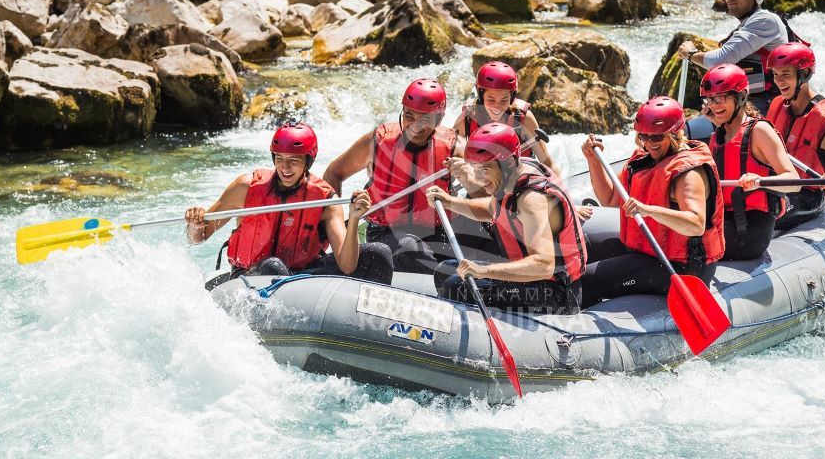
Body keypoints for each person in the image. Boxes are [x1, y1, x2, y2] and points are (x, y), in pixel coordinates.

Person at [186, 122, 393, 287]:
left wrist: (355, 218)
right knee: (274, 268)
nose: (284, 167)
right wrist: (195, 224)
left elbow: (347, 265)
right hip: (253, 275)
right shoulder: (245, 187)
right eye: (280, 159)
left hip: (302, 274)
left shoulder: (325, 199)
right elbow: (198, 238)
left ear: (307, 162)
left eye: (293, 160)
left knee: (378, 253)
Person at [426, 123, 586, 315]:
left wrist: (483, 271)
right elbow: (492, 209)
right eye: (474, 168)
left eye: (484, 169)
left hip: (555, 294)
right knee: (446, 270)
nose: (477, 177)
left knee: (455, 286)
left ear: (509, 162)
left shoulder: (531, 200)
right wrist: (450, 202)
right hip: (533, 282)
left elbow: (544, 265)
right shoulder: (513, 176)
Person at [579, 97, 724, 307]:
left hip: (682, 268)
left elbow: (696, 224)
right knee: (582, 248)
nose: (649, 143)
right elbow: (609, 199)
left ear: (675, 133)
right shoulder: (644, 158)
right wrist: (593, 160)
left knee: (587, 280)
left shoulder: (688, 172)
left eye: (656, 138)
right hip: (650, 250)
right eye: (643, 136)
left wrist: (648, 210)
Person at [323, 78, 468, 273]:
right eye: (409, 115)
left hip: (438, 232)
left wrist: (468, 175)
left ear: (439, 119)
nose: (415, 126)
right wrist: (338, 230)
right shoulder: (379, 141)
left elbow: (489, 181)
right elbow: (334, 173)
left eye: (424, 119)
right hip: (386, 230)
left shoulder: (454, 146)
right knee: (411, 249)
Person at [676, 0, 808, 113]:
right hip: (747, 103)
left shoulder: (765, 20)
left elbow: (721, 60)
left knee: (691, 130)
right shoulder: (750, 23)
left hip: (768, 106)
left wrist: (691, 54)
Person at [702, 64, 800, 260]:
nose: (714, 105)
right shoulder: (718, 136)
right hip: (723, 220)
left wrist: (759, 180)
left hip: (749, 230)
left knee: (685, 242)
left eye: (721, 98)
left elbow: (795, 181)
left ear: (741, 96)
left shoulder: (760, 131)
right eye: (710, 99)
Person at [765, 42, 825, 229]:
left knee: (764, 215)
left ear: (805, 74)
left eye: (786, 74)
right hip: (777, 186)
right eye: (776, 74)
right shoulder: (778, 105)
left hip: (807, 196)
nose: (779, 81)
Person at [453, 60, 556, 171]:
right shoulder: (466, 119)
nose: (497, 106)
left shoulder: (524, 119)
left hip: (521, 182)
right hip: (483, 182)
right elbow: (456, 160)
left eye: (504, 100)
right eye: (491, 99)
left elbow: (549, 166)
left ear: (511, 98)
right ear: (481, 95)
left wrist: (560, 187)